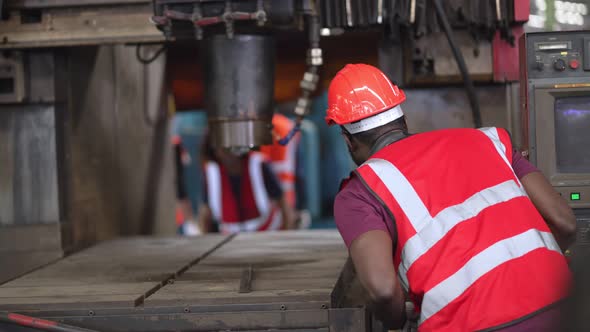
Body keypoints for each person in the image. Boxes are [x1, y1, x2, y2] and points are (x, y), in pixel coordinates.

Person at [326, 64, 576, 331]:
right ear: (403, 120)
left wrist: (397, 322)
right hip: (562, 310)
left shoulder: (359, 191)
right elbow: (564, 222)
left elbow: (383, 289)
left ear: (348, 141)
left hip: (470, 324)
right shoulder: (491, 140)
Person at [196, 134, 298, 234]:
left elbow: (283, 204)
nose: (227, 153)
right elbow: (205, 213)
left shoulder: (259, 164)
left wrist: (286, 234)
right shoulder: (211, 173)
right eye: (221, 148)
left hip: (267, 234)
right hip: (229, 237)